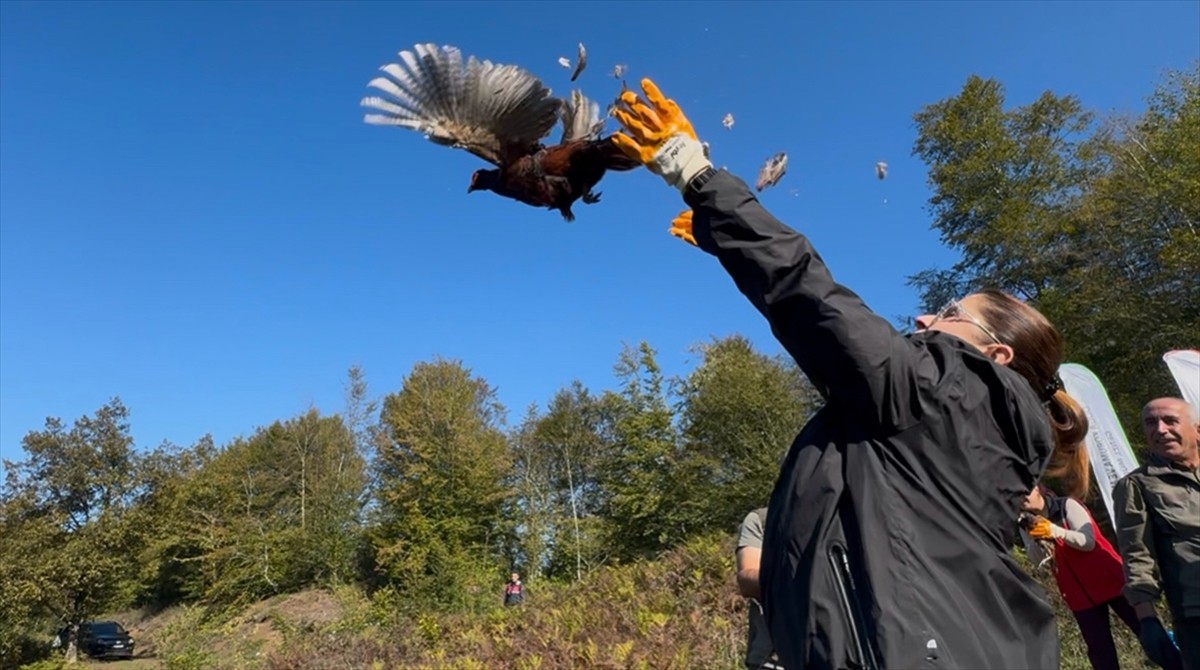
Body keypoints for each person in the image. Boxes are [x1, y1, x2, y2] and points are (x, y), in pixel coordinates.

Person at [611, 79, 1092, 670]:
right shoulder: (961, 423)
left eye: (948, 313)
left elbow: (811, 296)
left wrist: (695, 173)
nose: (923, 316)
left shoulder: (950, 389)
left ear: (998, 357)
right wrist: (721, 233)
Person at [1113, 397, 1199, 670]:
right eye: (1151, 423)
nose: (1160, 429)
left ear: (1197, 429)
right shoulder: (1136, 486)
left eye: (1170, 421)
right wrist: (1147, 619)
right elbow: (1137, 555)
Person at [1020, 484, 1147, 670]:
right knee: (1100, 654)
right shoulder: (1026, 522)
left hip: (1110, 580)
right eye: (1017, 495)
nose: (1022, 497)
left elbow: (1088, 541)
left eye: (1026, 491)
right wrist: (1033, 540)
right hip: (1079, 594)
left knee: (1147, 632)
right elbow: (1037, 561)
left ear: (1038, 489)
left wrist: (1055, 531)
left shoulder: (1067, 506)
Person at [736, 507, 783, 670]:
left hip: (849, 652)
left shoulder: (853, 517)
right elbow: (746, 580)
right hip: (773, 658)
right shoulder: (763, 520)